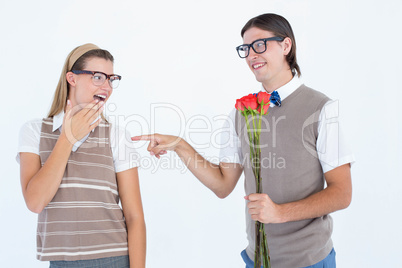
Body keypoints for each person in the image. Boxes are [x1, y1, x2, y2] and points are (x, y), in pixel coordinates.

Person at [132, 13, 354, 267]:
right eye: (246, 48)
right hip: (256, 259)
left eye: (259, 45)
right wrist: (180, 145)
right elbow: (223, 185)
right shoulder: (240, 113)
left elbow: (342, 193)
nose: (251, 55)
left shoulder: (321, 108)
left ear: (286, 45)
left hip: (310, 260)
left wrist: (281, 213)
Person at [17, 43, 146, 268]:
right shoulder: (34, 132)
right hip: (61, 263)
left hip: (114, 259)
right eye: (97, 77)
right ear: (72, 78)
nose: (107, 86)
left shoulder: (116, 136)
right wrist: (67, 138)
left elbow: (135, 218)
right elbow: (35, 202)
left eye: (111, 78)